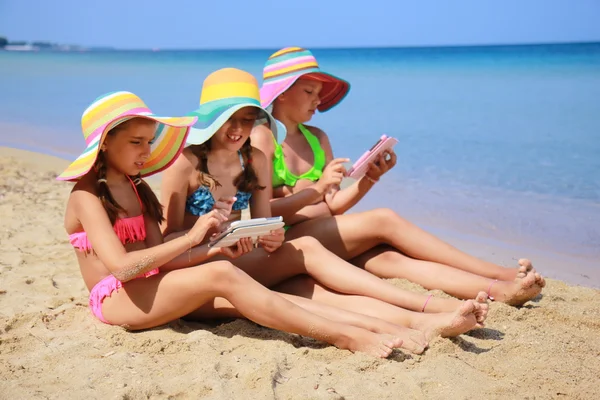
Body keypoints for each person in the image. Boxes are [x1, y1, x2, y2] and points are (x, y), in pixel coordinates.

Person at [159, 68, 489, 354]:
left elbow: (263, 224)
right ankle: (422, 313)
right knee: (305, 283)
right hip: (198, 268)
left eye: (247, 120)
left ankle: (425, 311)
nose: (238, 129)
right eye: (228, 120)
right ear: (209, 120)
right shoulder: (184, 165)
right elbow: (163, 245)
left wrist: (270, 237)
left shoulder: (254, 160)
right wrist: (205, 236)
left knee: (309, 266)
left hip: (238, 259)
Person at [58, 90, 409, 358]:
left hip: (152, 286)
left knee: (253, 296)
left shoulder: (138, 188)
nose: (146, 152)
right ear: (104, 144)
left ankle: (381, 325)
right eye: (136, 143)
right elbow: (120, 269)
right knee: (223, 275)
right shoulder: (86, 196)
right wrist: (193, 238)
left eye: (149, 141)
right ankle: (343, 337)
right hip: (115, 300)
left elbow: (156, 258)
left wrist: (213, 246)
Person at [250, 47, 546, 305]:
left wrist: (369, 179)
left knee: (391, 258)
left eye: (319, 93)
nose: (318, 101)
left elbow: (335, 204)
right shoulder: (262, 138)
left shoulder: (317, 138)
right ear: (283, 92)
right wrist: (316, 192)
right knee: (383, 219)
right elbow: (256, 214)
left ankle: (499, 288)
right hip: (289, 241)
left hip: (328, 232)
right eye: (309, 92)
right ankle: (497, 271)